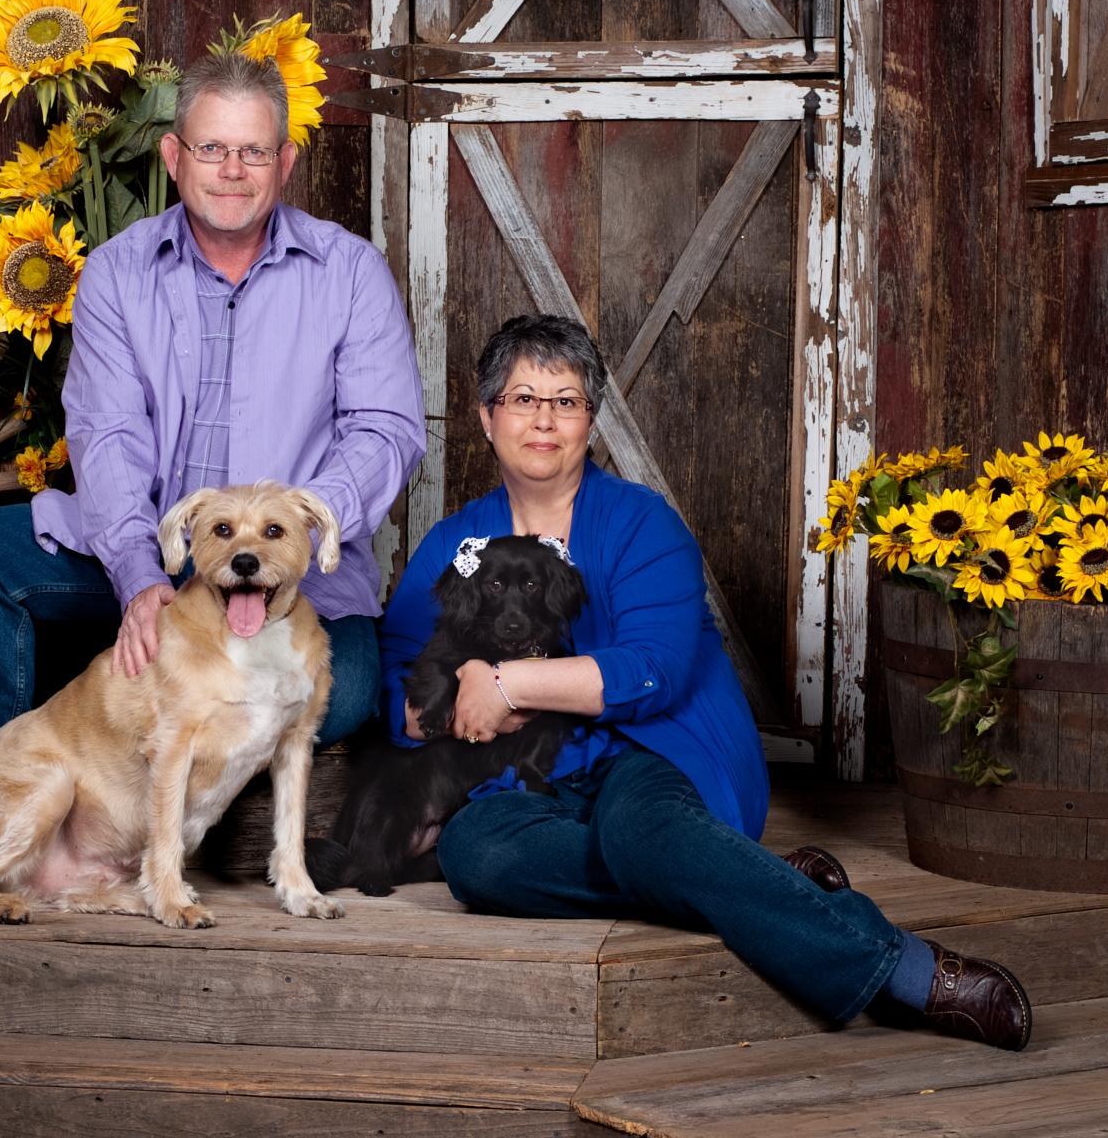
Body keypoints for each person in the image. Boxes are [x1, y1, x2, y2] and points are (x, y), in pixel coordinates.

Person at [378, 314, 1032, 1050]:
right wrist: (435, 725)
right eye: (523, 397)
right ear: (486, 416)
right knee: (477, 856)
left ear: (589, 420)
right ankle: (741, 875)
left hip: (654, 753)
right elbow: (402, 687)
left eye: (565, 401)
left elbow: (650, 671)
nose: (543, 418)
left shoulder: (640, 523)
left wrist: (505, 684)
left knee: (639, 832)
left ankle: (907, 970)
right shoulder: (450, 542)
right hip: (525, 781)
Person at [0, 51, 425, 792]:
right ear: (173, 156)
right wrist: (135, 576)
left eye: (253, 150)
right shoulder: (118, 273)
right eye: (211, 148)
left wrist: (300, 530)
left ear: (284, 161)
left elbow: (385, 432)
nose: (231, 169)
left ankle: (144, 803)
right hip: (157, 554)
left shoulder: (348, 272)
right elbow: (108, 435)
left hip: (291, 575)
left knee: (344, 694)